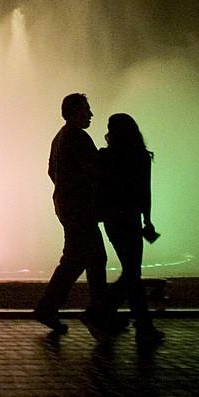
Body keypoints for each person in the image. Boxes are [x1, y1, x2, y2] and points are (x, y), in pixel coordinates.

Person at [32, 93, 119, 336]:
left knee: (80, 259)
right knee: (90, 258)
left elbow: (51, 170)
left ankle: (57, 308)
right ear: (74, 112)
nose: (90, 114)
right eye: (86, 110)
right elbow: (94, 170)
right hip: (80, 208)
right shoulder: (77, 137)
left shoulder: (60, 137)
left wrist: (63, 189)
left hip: (67, 206)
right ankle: (96, 315)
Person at [99, 112, 164, 343]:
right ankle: (108, 313)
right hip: (131, 219)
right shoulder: (140, 156)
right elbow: (145, 192)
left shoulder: (106, 156)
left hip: (112, 220)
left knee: (132, 272)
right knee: (132, 271)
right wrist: (148, 219)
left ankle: (136, 322)